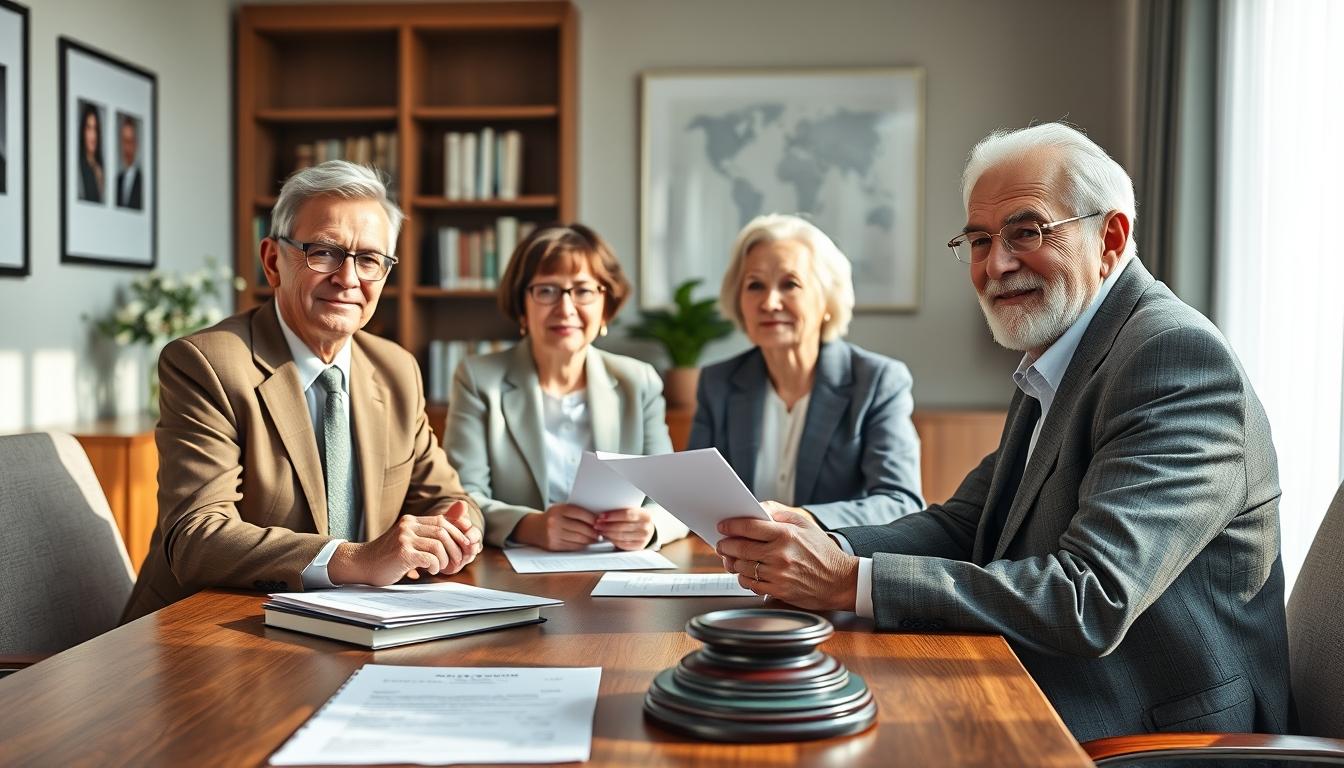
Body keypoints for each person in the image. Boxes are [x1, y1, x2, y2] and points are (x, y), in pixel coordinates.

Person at [715, 123, 1290, 742]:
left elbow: (1089, 598)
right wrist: (816, 535)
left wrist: (849, 580)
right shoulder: (1061, 355)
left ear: (1111, 237)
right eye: (980, 240)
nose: (997, 264)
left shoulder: (1172, 358)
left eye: (1027, 231)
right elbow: (965, 523)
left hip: (1153, 732)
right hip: (1042, 684)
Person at [122, 160, 483, 621]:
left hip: (356, 626)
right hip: (208, 630)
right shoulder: (207, 363)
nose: (348, 279)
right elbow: (196, 538)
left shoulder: (396, 370)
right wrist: (359, 560)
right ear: (273, 261)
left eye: (369, 260)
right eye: (325, 252)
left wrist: (458, 531)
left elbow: (448, 499)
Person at [445, 223, 689, 551]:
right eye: (547, 290)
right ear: (522, 305)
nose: (566, 308)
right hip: (515, 570)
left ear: (606, 305)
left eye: (583, 290)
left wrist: (651, 526)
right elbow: (462, 498)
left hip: (619, 570)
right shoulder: (478, 379)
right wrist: (531, 526)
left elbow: (674, 499)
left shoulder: (638, 381)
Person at [689, 213, 923, 529]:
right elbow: (694, 494)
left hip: (831, 567)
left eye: (790, 284)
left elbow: (901, 503)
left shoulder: (877, 382)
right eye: (755, 285)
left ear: (827, 300)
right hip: (735, 564)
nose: (770, 302)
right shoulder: (718, 382)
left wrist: (803, 518)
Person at [77, 101, 104, 204]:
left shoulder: (100, 169)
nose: (93, 135)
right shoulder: (79, 167)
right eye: (89, 128)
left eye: (95, 129)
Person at [115, 114, 143, 210]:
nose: (127, 148)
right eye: (125, 141)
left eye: (130, 141)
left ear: (136, 144)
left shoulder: (142, 181)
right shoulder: (117, 181)